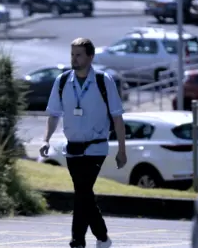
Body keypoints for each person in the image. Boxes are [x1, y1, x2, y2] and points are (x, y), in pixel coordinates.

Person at [39, 37, 128, 248]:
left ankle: (77, 240)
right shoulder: (62, 81)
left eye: (79, 55)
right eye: (72, 54)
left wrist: (122, 150)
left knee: (82, 190)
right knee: (83, 193)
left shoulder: (103, 81)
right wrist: (46, 140)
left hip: (96, 147)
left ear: (91, 56)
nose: (74, 59)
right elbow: (53, 115)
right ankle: (102, 237)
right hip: (73, 148)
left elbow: (117, 117)